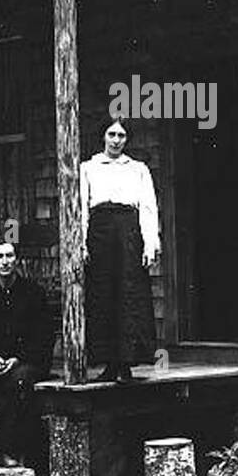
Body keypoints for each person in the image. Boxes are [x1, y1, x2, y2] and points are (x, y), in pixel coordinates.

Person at [79, 117, 159, 382]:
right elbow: (81, 208)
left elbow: (147, 207)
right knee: (103, 295)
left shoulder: (138, 169)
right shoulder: (88, 168)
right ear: (103, 136)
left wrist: (150, 243)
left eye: (121, 135)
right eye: (111, 134)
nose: (116, 140)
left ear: (127, 139)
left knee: (128, 295)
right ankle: (109, 364)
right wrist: (80, 243)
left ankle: (126, 364)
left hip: (128, 234)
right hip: (99, 233)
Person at [0, 238, 53, 473]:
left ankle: (9, 449)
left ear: (17, 260)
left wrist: (18, 358)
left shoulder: (34, 294)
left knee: (20, 381)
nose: (5, 262)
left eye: (9, 256)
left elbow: (44, 337)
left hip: (26, 361)